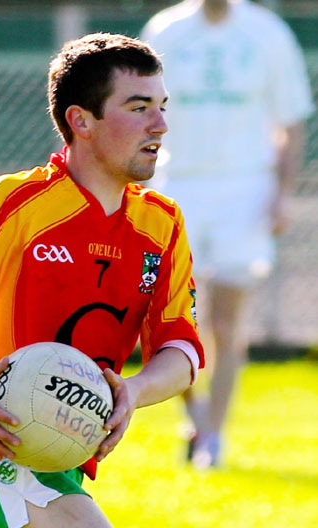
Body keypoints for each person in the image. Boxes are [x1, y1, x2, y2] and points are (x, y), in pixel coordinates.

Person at [0, 33, 204, 528]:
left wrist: (135, 389)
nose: (161, 124)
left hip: (60, 463)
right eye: (139, 107)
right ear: (81, 120)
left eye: (162, 106)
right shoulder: (13, 204)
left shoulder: (162, 224)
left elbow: (182, 349)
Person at [141, 0, 314, 468]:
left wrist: (281, 192)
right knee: (166, 314)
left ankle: (214, 436)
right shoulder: (167, 30)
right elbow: (139, 112)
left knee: (226, 317)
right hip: (178, 185)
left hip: (246, 186)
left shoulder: (267, 32)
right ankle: (193, 414)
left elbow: (291, 120)